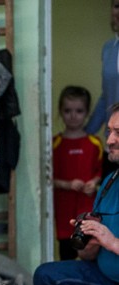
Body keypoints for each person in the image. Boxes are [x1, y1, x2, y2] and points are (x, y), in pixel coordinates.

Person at [34, 102, 119, 285]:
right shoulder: (108, 182)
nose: (110, 140)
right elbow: (91, 250)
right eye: (109, 132)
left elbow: (112, 241)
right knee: (47, 276)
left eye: (118, 132)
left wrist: (113, 242)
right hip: (109, 282)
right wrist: (89, 245)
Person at [53, 86, 103, 260]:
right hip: (63, 213)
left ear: (87, 112)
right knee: (66, 257)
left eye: (79, 111)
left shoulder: (94, 143)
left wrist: (93, 182)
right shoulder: (54, 144)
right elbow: (47, 178)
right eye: (67, 111)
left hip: (87, 209)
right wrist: (67, 184)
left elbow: (101, 172)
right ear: (60, 111)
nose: (73, 116)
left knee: (90, 257)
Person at [85, 0, 119, 179]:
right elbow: (107, 97)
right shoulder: (108, 49)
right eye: (117, 5)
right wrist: (85, 134)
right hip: (113, 145)